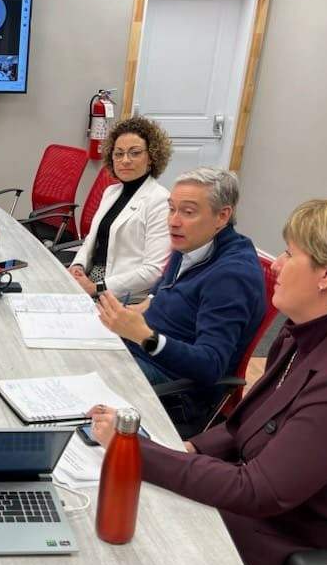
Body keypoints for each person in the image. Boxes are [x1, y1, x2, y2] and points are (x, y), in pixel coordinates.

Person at [90, 196, 327, 565]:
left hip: (315, 558)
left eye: (291, 255)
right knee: (139, 513)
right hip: (285, 516)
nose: (276, 265)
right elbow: (244, 427)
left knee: (141, 537)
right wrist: (191, 447)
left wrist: (134, 449)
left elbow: (257, 491)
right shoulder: (306, 334)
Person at [97, 167, 266, 431]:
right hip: (144, 354)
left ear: (222, 216)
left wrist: (145, 336)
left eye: (188, 212)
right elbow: (168, 289)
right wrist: (146, 304)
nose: (173, 221)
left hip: (177, 392)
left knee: (78, 380)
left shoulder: (231, 276)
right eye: (171, 209)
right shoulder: (192, 242)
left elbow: (210, 365)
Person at [68, 116, 172, 301]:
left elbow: (153, 271)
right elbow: (91, 240)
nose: (125, 160)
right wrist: (78, 266)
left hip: (121, 295)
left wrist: (96, 288)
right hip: (90, 281)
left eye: (135, 153)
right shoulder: (111, 192)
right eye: (119, 153)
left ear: (151, 158)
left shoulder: (160, 201)